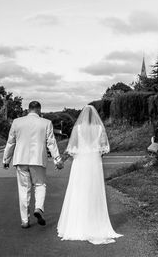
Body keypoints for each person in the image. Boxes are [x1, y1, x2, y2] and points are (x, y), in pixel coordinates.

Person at [56, 105, 122, 245]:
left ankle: (78, 223)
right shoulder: (99, 128)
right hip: (94, 163)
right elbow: (104, 149)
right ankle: (95, 222)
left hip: (80, 162)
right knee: (94, 191)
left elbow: (72, 149)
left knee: (78, 190)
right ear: (95, 116)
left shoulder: (78, 128)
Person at [3, 100, 62, 229]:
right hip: (38, 160)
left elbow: (10, 142)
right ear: (39, 110)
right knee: (40, 185)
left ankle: (25, 220)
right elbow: (51, 143)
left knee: (24, 189)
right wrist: (57, 159)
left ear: (28, 109)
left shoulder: (17, 122)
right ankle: (39, 208)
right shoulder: (46, 123)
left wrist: (6, 160)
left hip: (20, 160)